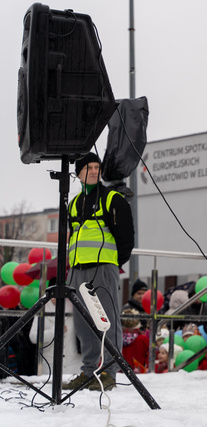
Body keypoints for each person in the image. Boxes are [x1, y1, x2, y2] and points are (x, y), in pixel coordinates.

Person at [62, 153, 134, 392]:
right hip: (78, 270)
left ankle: (109, 372)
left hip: (103, 269)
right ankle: (89, 371)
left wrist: (112, 263)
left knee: (107, 321)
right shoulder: (73, 203)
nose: (94, 171)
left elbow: (126, 239)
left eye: (96, 167)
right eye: (88, 168)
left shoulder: (112, 199)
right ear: (78, 173)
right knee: (82, 324)